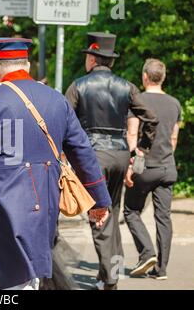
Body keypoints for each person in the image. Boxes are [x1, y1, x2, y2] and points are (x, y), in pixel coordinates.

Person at [0, 37, 111, 290]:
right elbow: (82, 152)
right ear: (28, 65)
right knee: (36, 271)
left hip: (6, 200)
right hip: (48, 198)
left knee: (16, 278)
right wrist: (99, 200)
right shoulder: (56, 99)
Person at [65, 32, 159, 290]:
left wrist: (65, 154)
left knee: (99, 216)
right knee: (112, 212)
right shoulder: (127, 86)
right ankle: (109, 271)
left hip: (92, 156)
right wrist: (141, 148)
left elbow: (62, 122)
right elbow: (151, 118)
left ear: (93, 59)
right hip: (119, 155)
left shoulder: (78, 86)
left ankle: (109, 280)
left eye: (87, 56)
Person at [124, 59, 182, 280]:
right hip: (167, 167)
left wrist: (132, 163)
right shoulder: (175, 103)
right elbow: (174, 137)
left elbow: (132, 133)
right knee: (164, 218)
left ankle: (147, 252)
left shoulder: (138, 100)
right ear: (163, 77)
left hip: (144, 167)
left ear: (145, 77)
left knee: (130, 211)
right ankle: (162, 269)